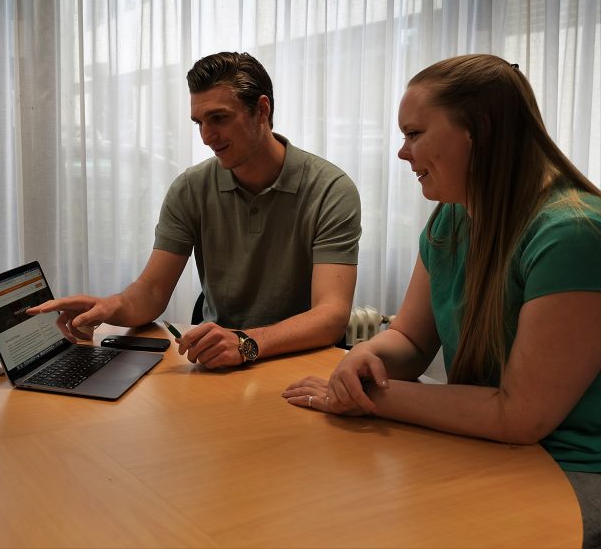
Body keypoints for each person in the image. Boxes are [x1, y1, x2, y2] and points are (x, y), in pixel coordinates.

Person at [282, 54, 601, 547]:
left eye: (414, 133)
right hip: (488, 446)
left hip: (571, 468)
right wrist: (365, 358)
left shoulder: (573, 234)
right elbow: (410, 340)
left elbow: (520, 417)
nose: (401, 152)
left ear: (480, 131)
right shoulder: (452, 218)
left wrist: (371, 397)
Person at [29, 52, 362, 368]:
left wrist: (246, 343)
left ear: (262, 110)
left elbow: (331, 315)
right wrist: (108, 306)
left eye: (219, 118)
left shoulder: (330, 190)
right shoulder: (191, 188)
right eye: (199, 122)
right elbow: (152, 291)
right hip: (217, 359)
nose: (206, 136)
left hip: (299, 361)